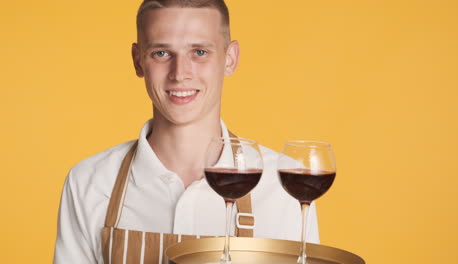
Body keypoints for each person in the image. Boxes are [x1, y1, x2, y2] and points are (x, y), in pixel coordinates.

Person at [53, 0, 319, 263]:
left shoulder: (285, 187)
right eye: (161, 53)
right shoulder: (89, 182)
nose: (179, 73)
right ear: (138, 61)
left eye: (199, 52)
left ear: (230, 59)